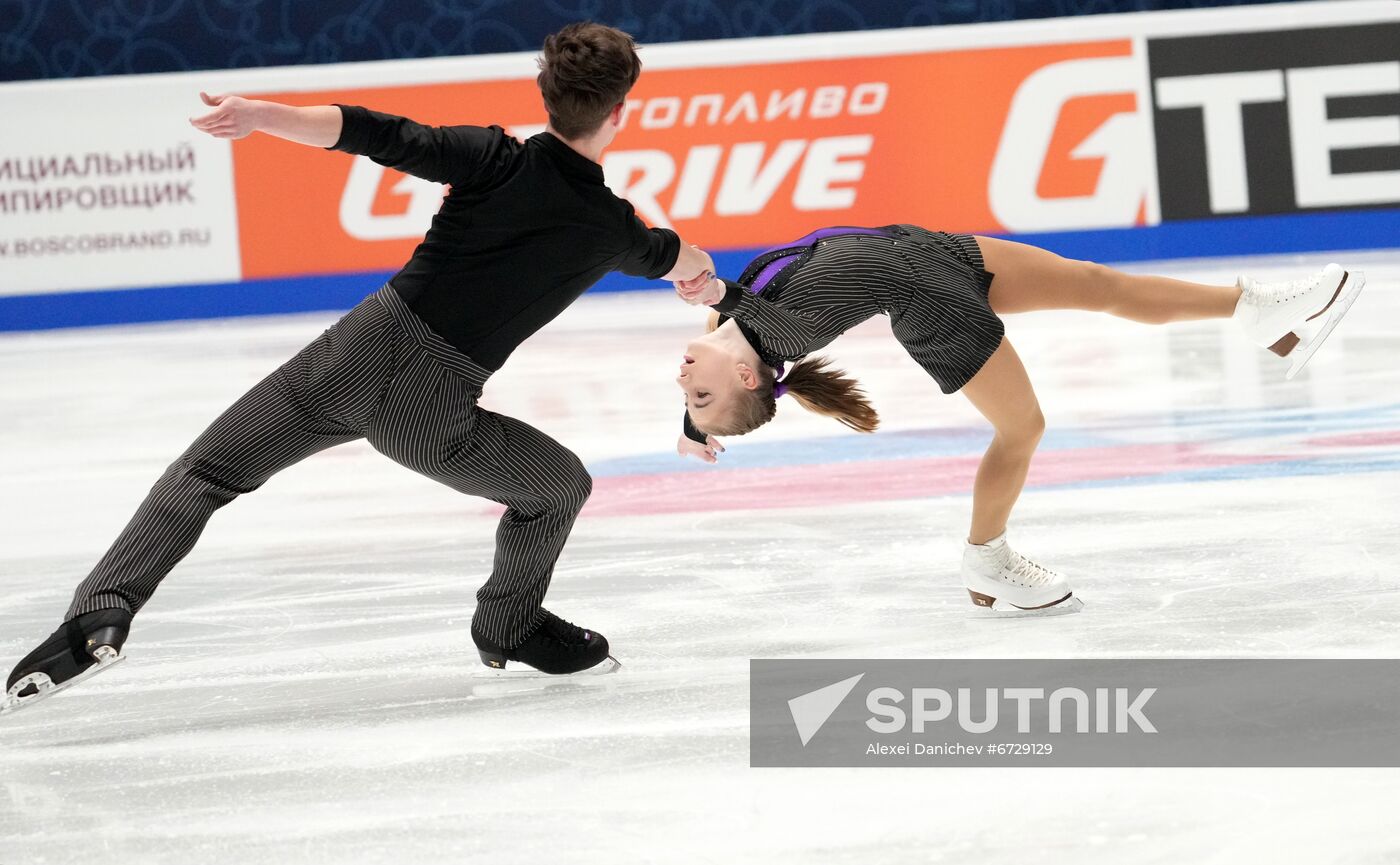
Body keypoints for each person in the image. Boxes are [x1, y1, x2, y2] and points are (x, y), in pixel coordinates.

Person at [3, 22, 716, 715]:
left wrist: (259, 114)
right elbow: (672, 255)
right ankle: (508, 625)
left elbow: (374, 131)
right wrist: (700, 276)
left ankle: (99, 614)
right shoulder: (611, 226)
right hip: (431, 411)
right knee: (559, 486)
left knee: (204, 474)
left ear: (544, 92)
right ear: (622, 110)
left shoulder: (491, 158)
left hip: (353, 353)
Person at [669, 225, 1363, 614]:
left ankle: (1259, 311)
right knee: (1023, 429)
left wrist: (698, 424)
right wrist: (718, 294)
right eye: (700, 394)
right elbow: (768, 314)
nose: (682, 382)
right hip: (934, 308)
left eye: (687, 392)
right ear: (744, 376)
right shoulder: (780, 335)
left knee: (1099, 283)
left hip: (928, 252)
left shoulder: (724, 327)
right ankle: (988, 556)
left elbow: (729, 335)